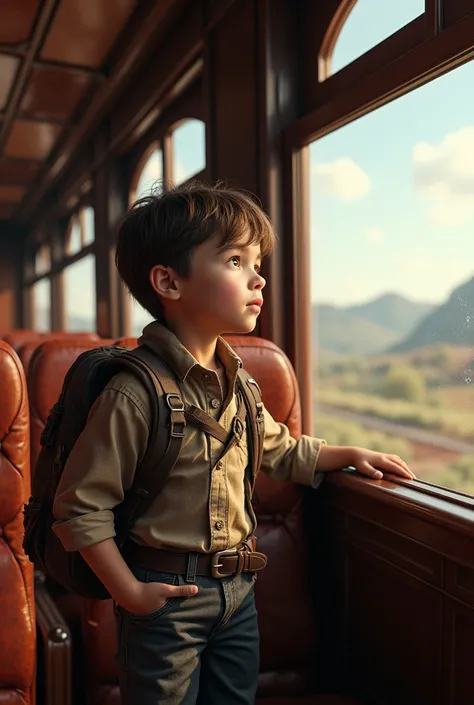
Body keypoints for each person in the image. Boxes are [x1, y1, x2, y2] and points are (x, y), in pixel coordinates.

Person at [52, 182, 415, 705]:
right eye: (236, 260)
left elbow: (279, 450)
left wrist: (345, 455)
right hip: (167, 597)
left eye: (257, 261)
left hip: (239, 594)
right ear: (168, 282)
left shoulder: (239, 383)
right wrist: (130, 594)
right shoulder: (134, 394)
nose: (258, 277)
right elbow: (80, 507)